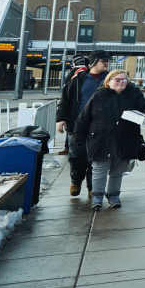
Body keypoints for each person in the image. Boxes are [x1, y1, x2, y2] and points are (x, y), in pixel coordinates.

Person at [73, 69, 145, 210]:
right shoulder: (99, 95)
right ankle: (97, 197)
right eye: (117, 80)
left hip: (124, 140)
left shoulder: (133, 94)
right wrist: (78, 138)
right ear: (109, 82)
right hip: (100, 140)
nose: (121, 82)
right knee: (99, 170)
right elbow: (84, 118)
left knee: (117, 171)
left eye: (124, 79)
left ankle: (113, 196)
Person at [56, 50, 111, 197]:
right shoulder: (78, 78)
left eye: (107, 61)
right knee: (77, 157)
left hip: (100, 127)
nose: (106, 63)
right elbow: (65, 99)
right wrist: (61, 119)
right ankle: (76, 180)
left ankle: (93, 188)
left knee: (96, 159)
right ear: (93, 62)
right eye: (103, 60)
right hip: (77, 125)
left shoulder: (110, 79)